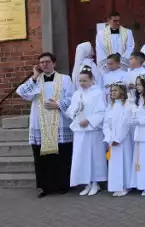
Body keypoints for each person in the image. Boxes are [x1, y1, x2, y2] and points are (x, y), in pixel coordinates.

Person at [17, 53, 74, 198]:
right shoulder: (36, 80)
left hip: (59, 121)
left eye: (47, 62)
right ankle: (45, 187)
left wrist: (58, 104)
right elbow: (22, 93)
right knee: (42, 156)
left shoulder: (65, 79)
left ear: (54, 63)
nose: (44, 65)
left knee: (61, 155)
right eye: (41, 62)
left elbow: (71, 97)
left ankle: (62, 185)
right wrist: (35, 76)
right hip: (40, 122)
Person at [67, 67, 106, 197]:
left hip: (93, 130)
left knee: (94, 156)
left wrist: (89, 120)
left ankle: (95, 183)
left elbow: (101, 111)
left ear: (91, 80)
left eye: (84, 80)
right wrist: (75, 114)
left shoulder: (98, 92)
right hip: (80, 130)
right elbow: (71, 108)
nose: (82, 83)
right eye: (80, 81)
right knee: (81, 156)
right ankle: (86, 183)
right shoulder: (77, 94)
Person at [103, 81, 133, 197]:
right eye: (111, 91)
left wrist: (118, 138)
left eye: (115, 90)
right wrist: (109, 136)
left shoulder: (127, 105)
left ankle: (126, 185)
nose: (112, 93)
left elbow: (126, 123)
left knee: (124, 161)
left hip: (123, 140)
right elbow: (106, 123)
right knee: (115, 163)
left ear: (122, 91)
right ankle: (116, 185)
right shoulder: (110, 106)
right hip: (112, 140)